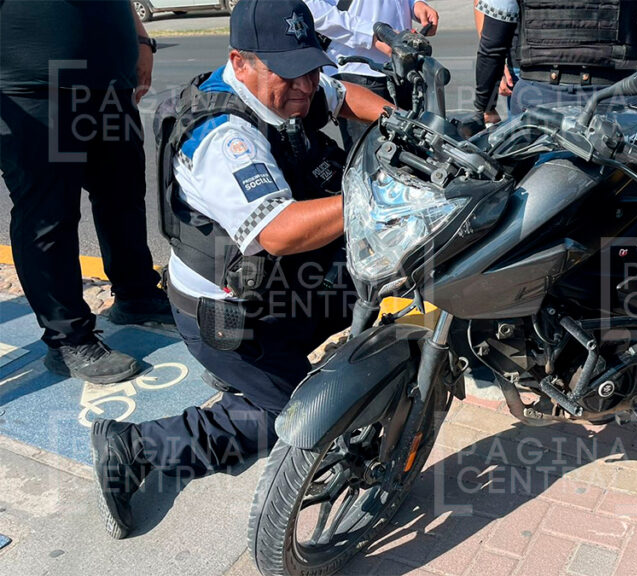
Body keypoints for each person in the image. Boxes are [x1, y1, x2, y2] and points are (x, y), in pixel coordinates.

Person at [89, 0, 391, 539]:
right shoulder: (224, 138)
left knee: (368, 281)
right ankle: (133, 447)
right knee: (292, 420)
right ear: (240, 61)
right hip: (226, 317)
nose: (305, 86)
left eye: (311, 67)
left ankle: (261, 378)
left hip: (271, 287)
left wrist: (403, 123)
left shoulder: (283, 84)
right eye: (290, 73)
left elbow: (344, 97)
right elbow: (278, 230)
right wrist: (376, 197)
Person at [0, 0, 173, 384]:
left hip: (108, 79)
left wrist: (142, 41)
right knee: (49, 214)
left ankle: (136, 294)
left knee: (123, 194)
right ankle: (67, 338)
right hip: (34, 85)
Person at [471, 0, 637, 122]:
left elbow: (492, 45)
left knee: (532, 190)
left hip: (537, 97)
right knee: (628, 190)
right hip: (615, 94)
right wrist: (624, 33)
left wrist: (485, 108)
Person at [304, 0, 439, 150]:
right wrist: (372, 35)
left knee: (417, 155)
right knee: (373, 161)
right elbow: (312, 9)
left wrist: (415, 4)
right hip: (357, 71)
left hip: (402, 66)